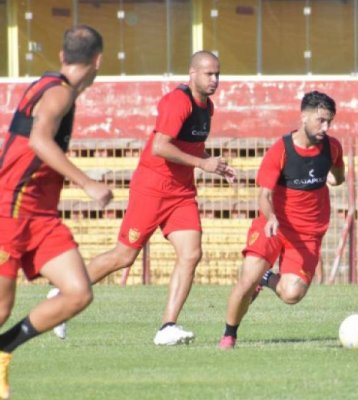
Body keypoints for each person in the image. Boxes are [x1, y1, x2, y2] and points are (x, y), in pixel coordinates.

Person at [51, 51, 236, 346]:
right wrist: (203, 164)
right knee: (124, 256)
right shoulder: (177, 101)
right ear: (192, 73)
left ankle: (167, 327)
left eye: (218, 74)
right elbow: (160, 147)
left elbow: (190, 146)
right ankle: (65, 292)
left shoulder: (208, 108)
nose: (215, 80)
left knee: (191, 254)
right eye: (209, 74)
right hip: (152, 188)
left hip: (181, 193)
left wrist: (212, 163)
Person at [0, 25, 112, 399]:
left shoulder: (56, 89)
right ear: (98, 61)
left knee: (78, 292)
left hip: (41, 217)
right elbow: (38, 140)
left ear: (64, 55)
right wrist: (88, 183)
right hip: (10, 209)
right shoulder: (59, 92)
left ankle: (3, 350)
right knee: (1, 305)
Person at [218, 91, 345, 349]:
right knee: (246, 280)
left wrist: (329, 178)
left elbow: (338, 176)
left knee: (292, 294)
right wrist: (272, 216)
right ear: (304, 117)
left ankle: (266, 278)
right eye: (321, 120)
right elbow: (264, 195)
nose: (326, 127)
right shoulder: (281, 150)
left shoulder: (332, 148)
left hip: (308, 233)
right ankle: (229, 335)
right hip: (273, 225)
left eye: (329, 122)